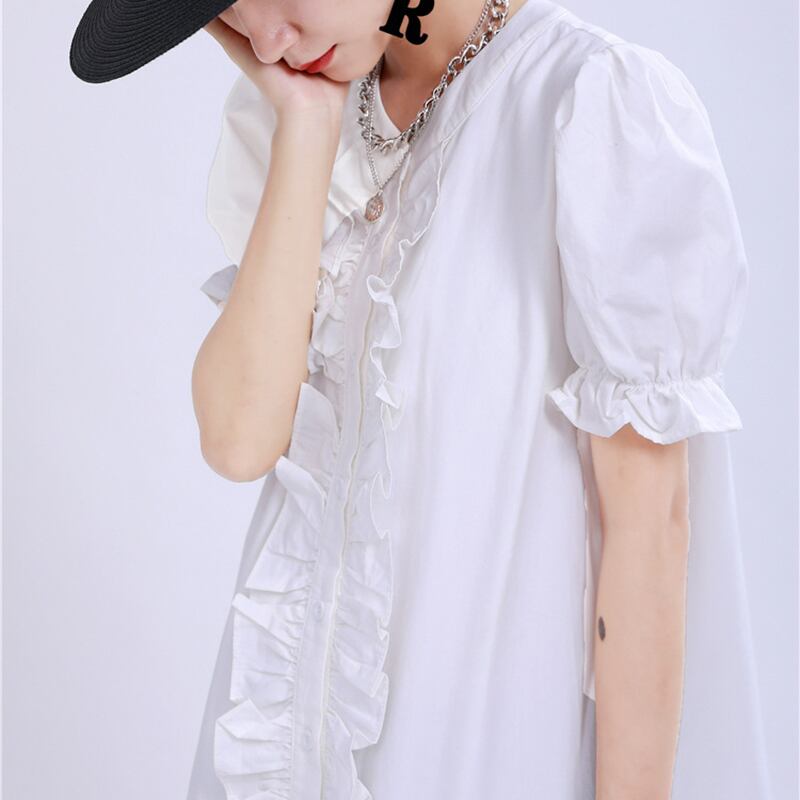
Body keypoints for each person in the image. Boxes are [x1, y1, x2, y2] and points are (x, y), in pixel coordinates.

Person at [70, 1, 774, 798]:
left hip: (479, 738)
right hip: (301, 752)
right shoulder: (312, 96)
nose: (264, 39)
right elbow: (239, 440)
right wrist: (307, 123)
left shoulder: (589, 101)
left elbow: (651, 527)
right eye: (232, 12)